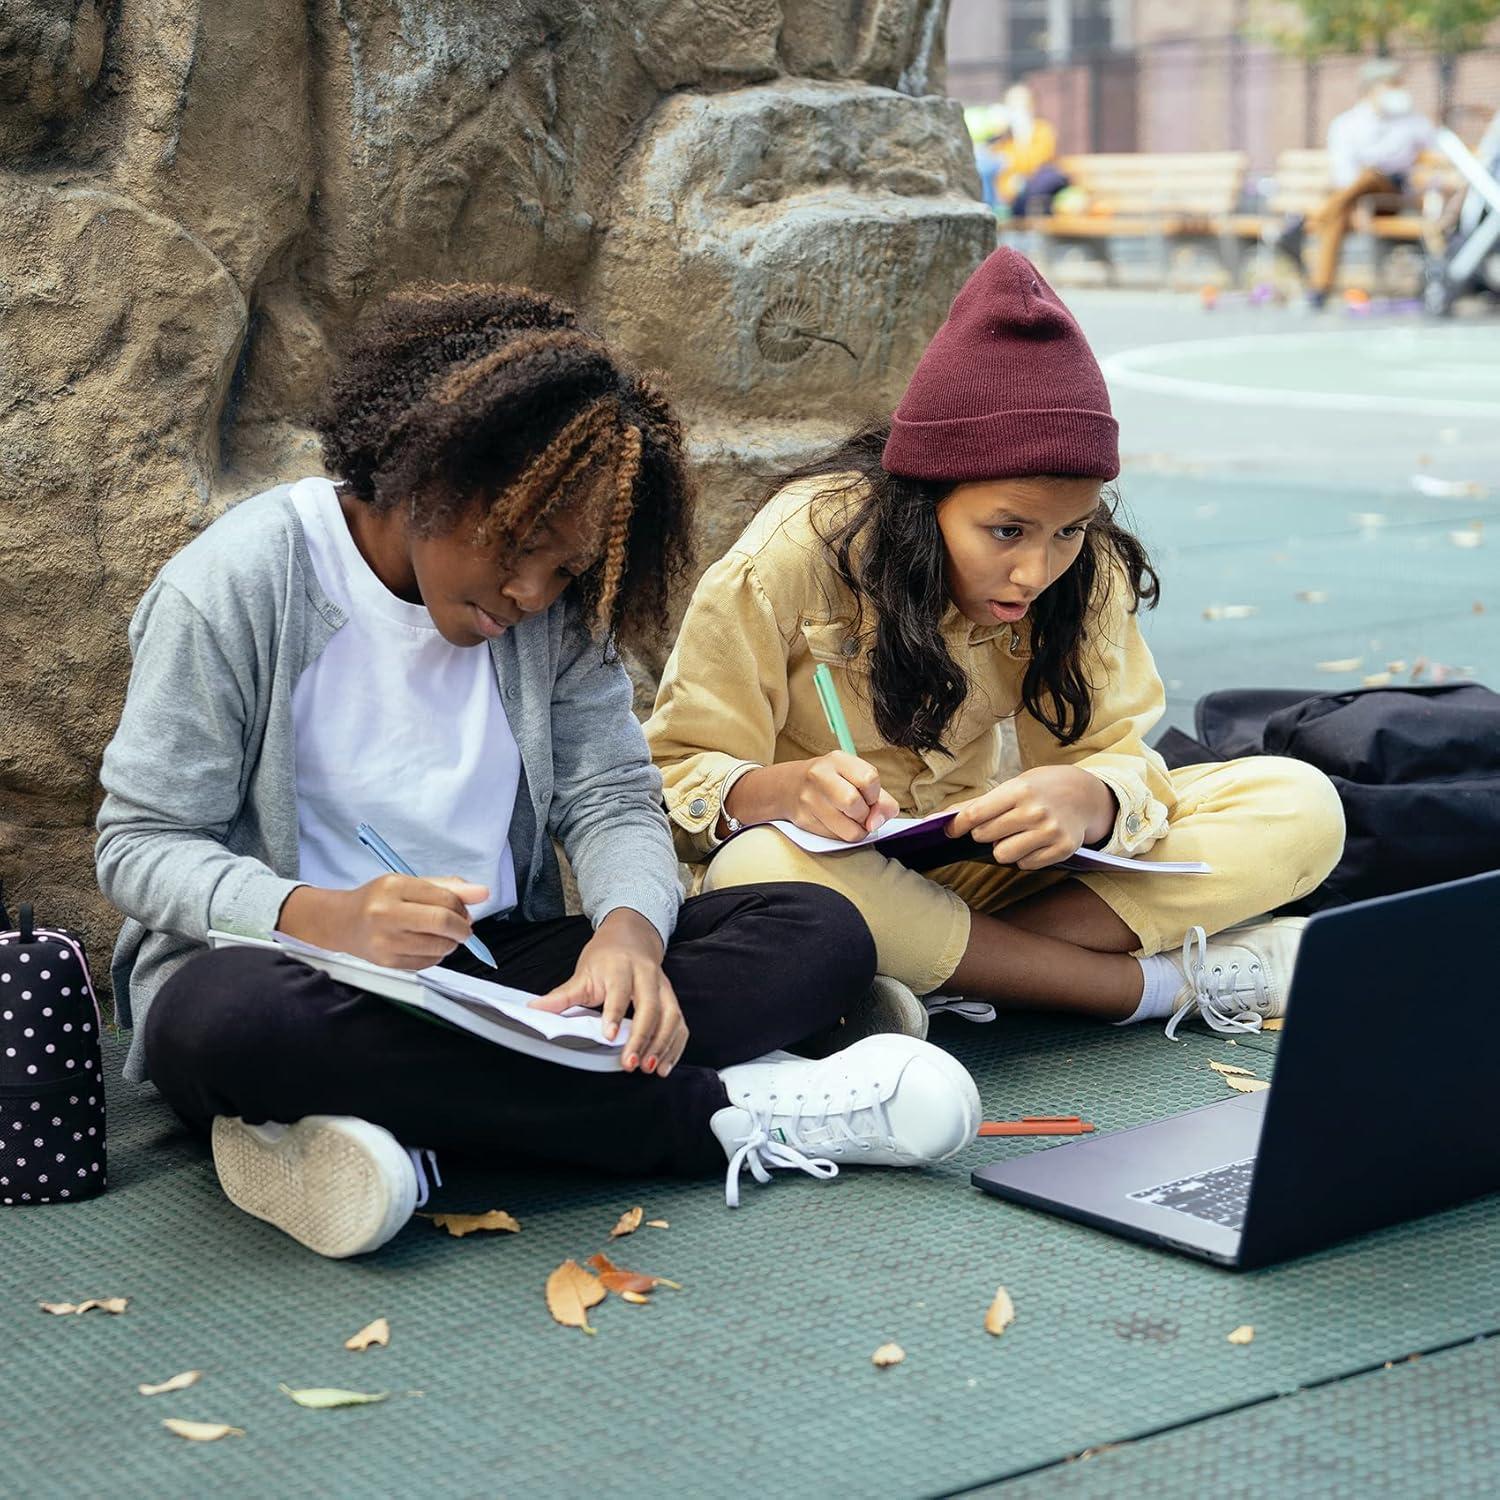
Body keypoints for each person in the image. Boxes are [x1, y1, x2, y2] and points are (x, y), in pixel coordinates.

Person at [95, 284, 981, 1258]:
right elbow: (139, 849)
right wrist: (325, 916)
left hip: (494, 972)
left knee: (818, 929)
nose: (528, 594)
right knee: (223, 1027)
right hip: (291, 973)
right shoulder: (234, 585)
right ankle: (725, 1110)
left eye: (563, 572)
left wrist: (630, 942)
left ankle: (376, 1127)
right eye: (515, 548)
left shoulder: (555, 618)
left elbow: (610, 799)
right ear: (430, 466)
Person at [646, 248, 1346, 1038]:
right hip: (830, 874)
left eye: (1069, 531)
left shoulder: (1086, 572)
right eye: (1006, 530)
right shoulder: (796, 552)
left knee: (1299, 802)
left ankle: (930, 977)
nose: (1036, 569)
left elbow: (1120, 753)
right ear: (926, 496)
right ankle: (1141, 989)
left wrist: (1093, 798)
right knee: (758, 867)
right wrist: (786, 790)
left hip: (989, 879)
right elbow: (676, 776)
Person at [1277, 59, 1436, 308]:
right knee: (1338, 216)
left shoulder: (1414, 122)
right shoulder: (1347, 124)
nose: (1399, 91)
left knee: (1371, 176)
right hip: (1353, 198)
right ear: (1372, 89)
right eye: (1392, 85)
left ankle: (1306, 221)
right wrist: (1360, 203)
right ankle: (1319, 290)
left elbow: (1435, 159)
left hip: (1392, 195)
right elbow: (1344, 173)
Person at [995, 83, 1062, 216]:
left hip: (1037, 182)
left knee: (1046, 178)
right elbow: (1000, 167)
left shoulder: (1043, 129)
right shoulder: (1004, 136)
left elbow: (1038, 161)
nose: (1018, 108)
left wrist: (1023, 136)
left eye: (1022, 102)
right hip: (1013, 191)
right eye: (1013, 104)